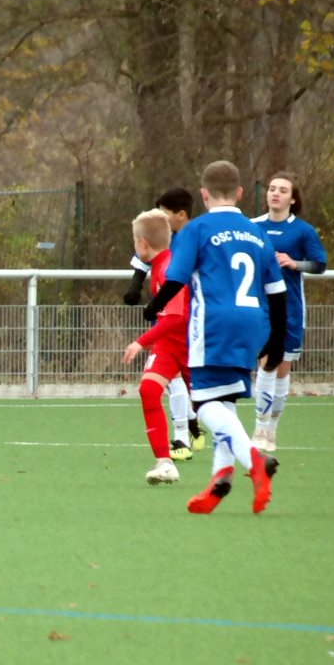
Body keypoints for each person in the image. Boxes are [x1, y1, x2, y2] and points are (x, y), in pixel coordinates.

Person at [144, 160, 287, 514]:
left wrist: (153, 307)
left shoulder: (196, 229)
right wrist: (277, 339)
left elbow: (176, 280)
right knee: (225, 400)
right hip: (254, 323)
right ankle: (221, 479)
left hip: (214, 324)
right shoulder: (257, 233)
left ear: (204, 194)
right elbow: (278, 292)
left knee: (204, 403)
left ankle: (255, 461)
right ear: (240, 193)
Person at [122, 187, 204, 460]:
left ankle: (243, 452)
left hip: (190, 344)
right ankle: (165, 461)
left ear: (143, 243)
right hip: (169, 344)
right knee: (149, 390)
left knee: (210, 406)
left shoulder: (169, 267)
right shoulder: (160, 262)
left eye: (135, 241)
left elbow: (177, 316)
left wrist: (140, 341)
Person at [250, 172, 328, 452]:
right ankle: (259, 427)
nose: (275, 193)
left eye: (283, 190)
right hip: (261, 307)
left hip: (291, 308)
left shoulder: (303, 231)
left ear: (293, 199)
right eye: (272, 188)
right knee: (266, 364)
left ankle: (272, 430)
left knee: (282, 370)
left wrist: (295, 263)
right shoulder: (253, 226)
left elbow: (319, 264)